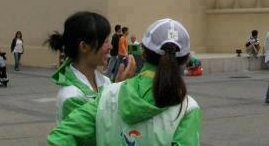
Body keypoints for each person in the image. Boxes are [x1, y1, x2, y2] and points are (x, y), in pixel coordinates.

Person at [48, 18, 201, 145]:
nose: (110, 46)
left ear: (143, 51)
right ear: (185, 59)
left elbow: (59, 138)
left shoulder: (108, 94)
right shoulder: (187, 109)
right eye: (105, 41)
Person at [47, 11, 135, 123]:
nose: (110, 46)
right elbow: (101, 130)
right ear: (84, 46)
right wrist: (118, 89)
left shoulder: (105, 81)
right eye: (105, 42)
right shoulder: (71, 96)